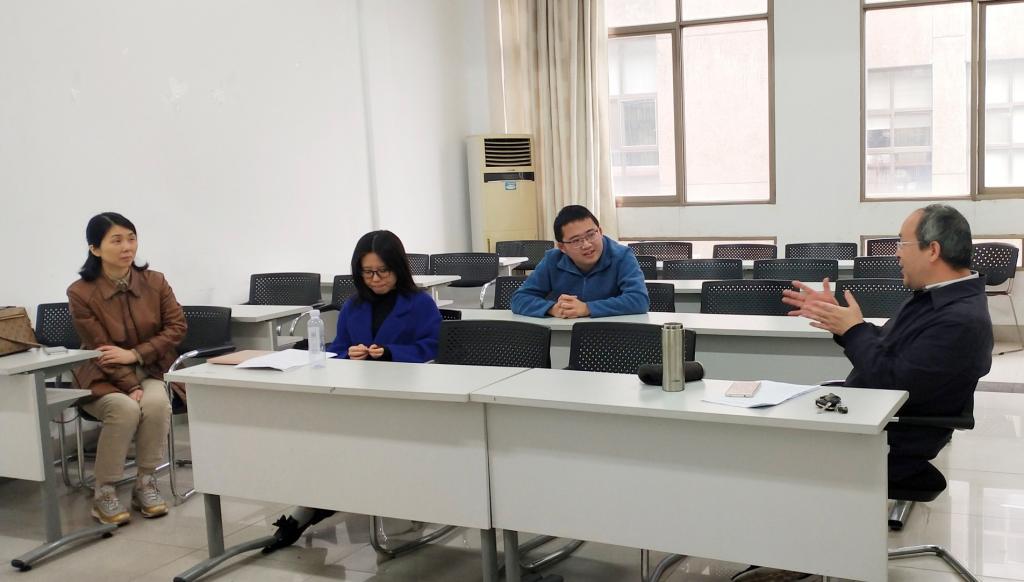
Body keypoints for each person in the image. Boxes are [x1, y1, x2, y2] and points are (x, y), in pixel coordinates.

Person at [733, 204, 993, 582]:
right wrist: (841, 320)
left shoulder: (959, 319)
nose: (896, 254)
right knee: (767, 422)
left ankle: (801, 557)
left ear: (932, 250)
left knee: (772, 446)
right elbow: (888, 352)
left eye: (902, 244)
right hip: (871, 415)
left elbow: (890, 380)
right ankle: (793, 548)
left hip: (892, 435)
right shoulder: (936, 298)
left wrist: (853, 329)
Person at [264, 230, 441, 553]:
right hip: (357, 394)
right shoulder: (353, 306)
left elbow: (432, 348)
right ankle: (316, 500)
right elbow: (338, 348)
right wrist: (350, 353)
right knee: (324, 436)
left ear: (398, 268)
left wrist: (390, 353)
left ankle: (371, 505)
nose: (375, 279)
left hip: (404, 397)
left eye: (382, 271)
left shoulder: (420, 304)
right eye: (367, 272)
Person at [68, 212, 186, 525]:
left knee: (157, 404)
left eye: (131, 239)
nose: (127, 247)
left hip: (151, 368)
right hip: (101, 375)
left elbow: (176, 327)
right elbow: (101, 348)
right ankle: (104, 492)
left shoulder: (155, 281)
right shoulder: (80, 292)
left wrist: (135, 354)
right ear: (95, 248)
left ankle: (145, 483)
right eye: (116, 240)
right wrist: (129, 385)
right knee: (124, 409)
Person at [511, 205, 648, 318]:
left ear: (600, 232)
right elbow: (519, 298)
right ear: (562, 247)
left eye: (591, 235)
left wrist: (587, 308)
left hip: (611, 334)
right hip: (565, 334)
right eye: (576, 240)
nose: (587, 245)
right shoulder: (552, 260)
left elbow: (639, 300)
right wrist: (552, 308)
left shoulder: (622, 256)